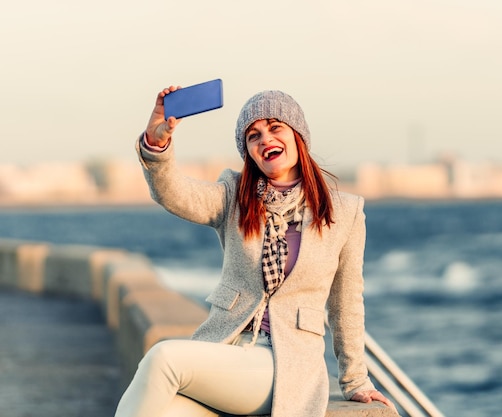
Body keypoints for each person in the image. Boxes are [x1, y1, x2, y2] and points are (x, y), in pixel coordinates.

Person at [114, 86, 397, 417]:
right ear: (248, 151)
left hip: (282, 367)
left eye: (275, 127)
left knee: (163, 358)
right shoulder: (235, 196)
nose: (265, 139)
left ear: (298, 136)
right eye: (253, 135)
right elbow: (175, 194)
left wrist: (355, 381)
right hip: (225, 348)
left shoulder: (344, 212)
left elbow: (346, 303)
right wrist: (156, 143)